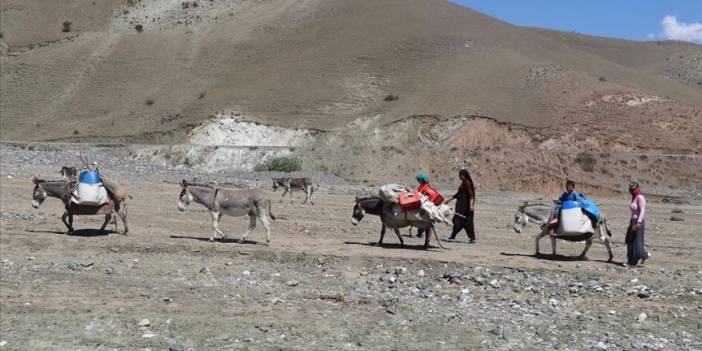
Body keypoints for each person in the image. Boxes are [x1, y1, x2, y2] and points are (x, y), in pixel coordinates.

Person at [442, 169, 476, 244]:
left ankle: (453, 237)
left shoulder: (467, 183)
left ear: (463, 175)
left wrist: (471, 205)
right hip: (461, 206)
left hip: (465, 208)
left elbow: (471, 195)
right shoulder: (464, 183)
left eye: (460, 175)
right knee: (465, 222)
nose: (459, 177)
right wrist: (449, 199)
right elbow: (458, 194)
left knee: (459, 221)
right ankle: (472, 238)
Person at [625, 181, 649, 267]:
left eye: (633, 189)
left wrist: (638, 222)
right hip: (633, 221)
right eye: (631, 189)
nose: (632, 191)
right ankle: (639, 257)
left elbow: (642, 210)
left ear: (637, 188)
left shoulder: (640, 197)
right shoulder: (634, 197)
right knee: (630, 241)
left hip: (638, 222)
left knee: (636, 241)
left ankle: (634, 261)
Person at [413, 171, 444, 238]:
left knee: (422, 218)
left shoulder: (425, 187)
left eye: (418, 179)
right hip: (427, 204)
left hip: (428, 205)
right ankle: (420, 233)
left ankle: (420, 233)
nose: (417, 181)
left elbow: (421, 195)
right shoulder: (423, 186)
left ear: (421, 180)